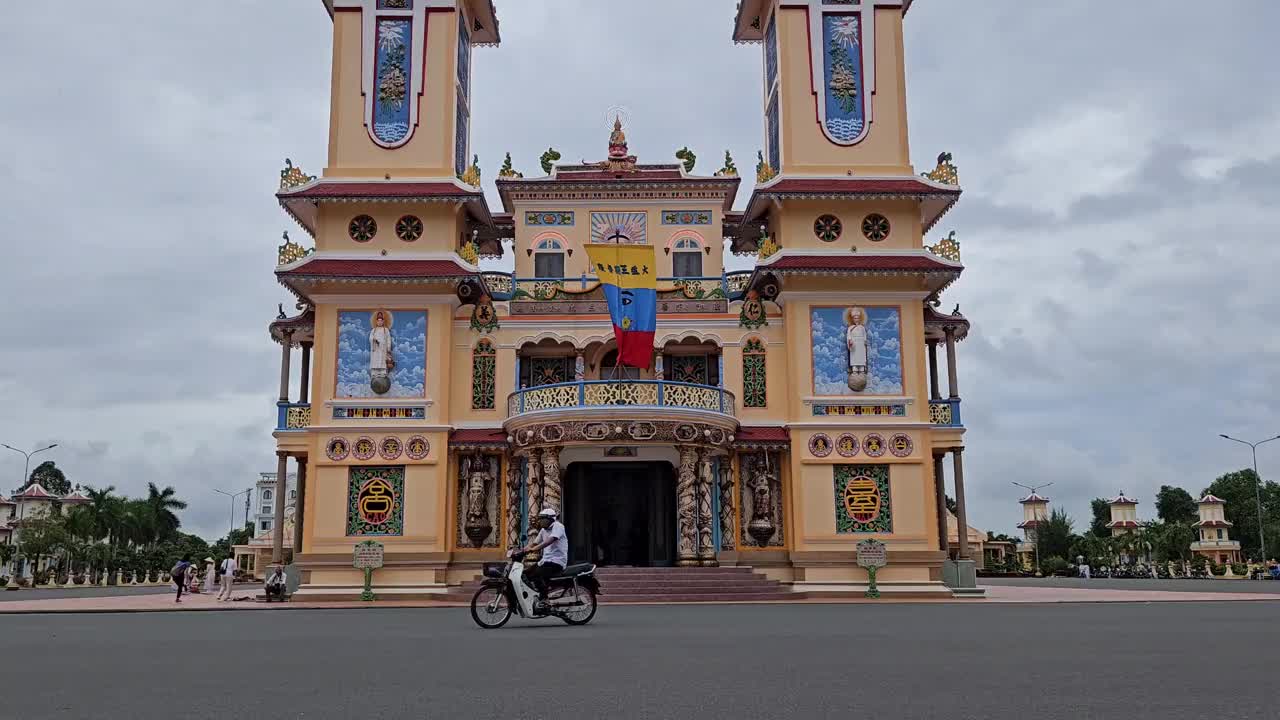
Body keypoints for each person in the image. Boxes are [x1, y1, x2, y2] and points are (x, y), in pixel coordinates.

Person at [520, 508, 568, 604]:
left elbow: (550, 540)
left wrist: (535, 549)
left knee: (536, 574)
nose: (541, 521)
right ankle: (536, 594)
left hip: (556, 561)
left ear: (551, 519)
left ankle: (545, 598)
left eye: (543, 519)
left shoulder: (558, 526)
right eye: (540, 519)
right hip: (545, 560)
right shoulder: (543, 530)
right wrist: (522, 550)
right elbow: (534, 543)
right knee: (525, 574)